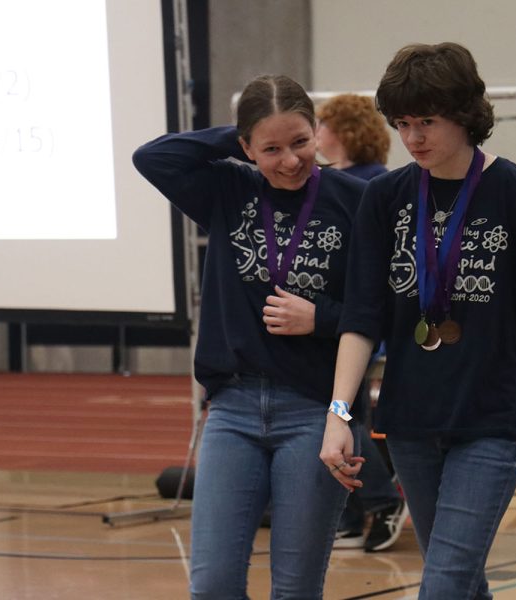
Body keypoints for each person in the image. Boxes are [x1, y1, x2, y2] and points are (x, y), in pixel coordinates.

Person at [318, 42, 516, 599]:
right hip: (412, 424)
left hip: (490, 423)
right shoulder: (385, 198)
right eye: (402, 124)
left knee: (442, 584)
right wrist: (338, 414)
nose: (413, 137)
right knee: (463, 583)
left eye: (427, 121)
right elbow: (361, 318)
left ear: (465, 113)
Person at [133, 74, 366, 599]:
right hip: (233, 409)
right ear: (244, 146)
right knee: (212, 584)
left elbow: (388, 311)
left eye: (301, 142)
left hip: (316, 411)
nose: (289, 161)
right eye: (271, 148)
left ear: (318, 132)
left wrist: (322, 317)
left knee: (295, 589)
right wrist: (242, 133)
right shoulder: (228, 187)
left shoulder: (358, 199)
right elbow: (152, 157)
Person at [316, 93, 409, 552]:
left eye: (321, 124)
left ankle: (382, 498)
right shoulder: (330, 180)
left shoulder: (373, 185)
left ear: (343, 130)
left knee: (340, 417)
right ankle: (351, 515)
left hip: (352, 322)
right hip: (330, 325)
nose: (316, 133)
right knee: (345, 418)